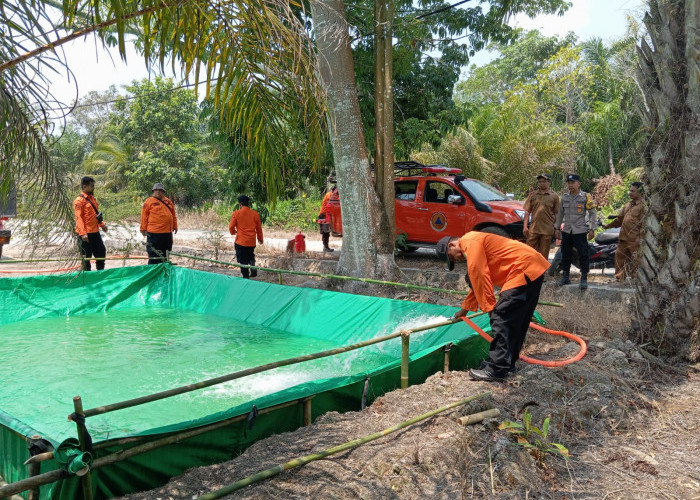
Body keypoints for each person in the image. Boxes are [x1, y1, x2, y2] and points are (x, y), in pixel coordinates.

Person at [436, 232, 549, 382]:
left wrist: (490, 309)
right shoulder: (474, 241)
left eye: (451, 257)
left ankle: (497, 369)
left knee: (501, 317)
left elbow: (480, 275)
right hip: (532, 268)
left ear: (451, 245)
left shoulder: (469, 241)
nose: (456, 260)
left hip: (522, 269)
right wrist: (463, 311)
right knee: (517, 321)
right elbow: (477, 283)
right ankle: (507, 364)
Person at [554, 173, 597, 290]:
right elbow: (560, 214)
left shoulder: (585, 197)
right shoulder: (564, 197)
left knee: (583, 254)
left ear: (579, 184)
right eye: (569, 183)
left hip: (580, 230)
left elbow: (592, 213)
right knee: (565, 254)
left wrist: (592, 229)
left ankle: (583, 278)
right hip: (567, 230)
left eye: (573, 183)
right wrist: (557, 228)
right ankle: (565, 277)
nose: (570, 185)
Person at [603, 182, 645, 281]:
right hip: (623, 238)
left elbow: (644, 223)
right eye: (630, 190)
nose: (629, 193)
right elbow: (619, 220)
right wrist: (608, 226)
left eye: (632, 191)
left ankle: (636, 280)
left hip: (634, 239)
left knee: (636, 260)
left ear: (640, 192)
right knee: (619, 257)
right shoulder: (627, 205)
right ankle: (619, 278)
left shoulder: (643, 206)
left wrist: (640, 237)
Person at [73, 176, 108, 271]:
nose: (93, 187)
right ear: (84, 187)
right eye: (91, 186)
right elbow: (78, 218)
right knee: (86, 257)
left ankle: (100, 273)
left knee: (101, 253)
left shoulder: (92, 199)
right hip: (85, 234)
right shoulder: (79, 201)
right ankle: (87, 277)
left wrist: (102, 224)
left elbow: (95, 214)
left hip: (95, 232)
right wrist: (83, 233)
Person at [523, 173, 560, 260]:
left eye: (544, 181)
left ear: (549, 182)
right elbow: (527, 212)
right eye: (540, 182)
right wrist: (525, 226)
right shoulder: (533, 195)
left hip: (547, 229)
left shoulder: (554, 196)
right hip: (534, 228)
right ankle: (528, 271)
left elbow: (557, 213)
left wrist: (557, 228)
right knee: (529, 250)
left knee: (544, 253)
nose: (541, 183)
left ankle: (542, 272)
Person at [140, 183, 178, 265]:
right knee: (154, 255)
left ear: (163, 192)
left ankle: (163, 272)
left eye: (160, 190)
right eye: (156, 190)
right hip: (154, 234)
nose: (158, 192)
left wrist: (175, 226)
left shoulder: (168, 201)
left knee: (165, 254)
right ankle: (153, 273)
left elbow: (173, 215)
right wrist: (143, 229)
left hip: (167, 233)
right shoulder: (148, 201)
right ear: (153, 191)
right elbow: (144, 216)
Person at [229, 195, 264, 278]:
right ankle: (252, 264)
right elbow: (259, 228)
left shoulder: (236, 213)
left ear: (240, 204)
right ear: (248, 204)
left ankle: (246, 276)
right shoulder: (255, 214)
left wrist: (233, 232)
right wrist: (260, 238)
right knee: (250, 254)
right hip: (251, 241)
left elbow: (231, 226)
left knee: (242, 260)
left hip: (241, 241)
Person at [317, 184, 337, 252]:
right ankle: (325, 247)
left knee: (326, 233)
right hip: (323, 215)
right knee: (325, 232)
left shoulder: (331, 194)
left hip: (327, 215)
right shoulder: (330, 195)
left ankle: (326, 247)